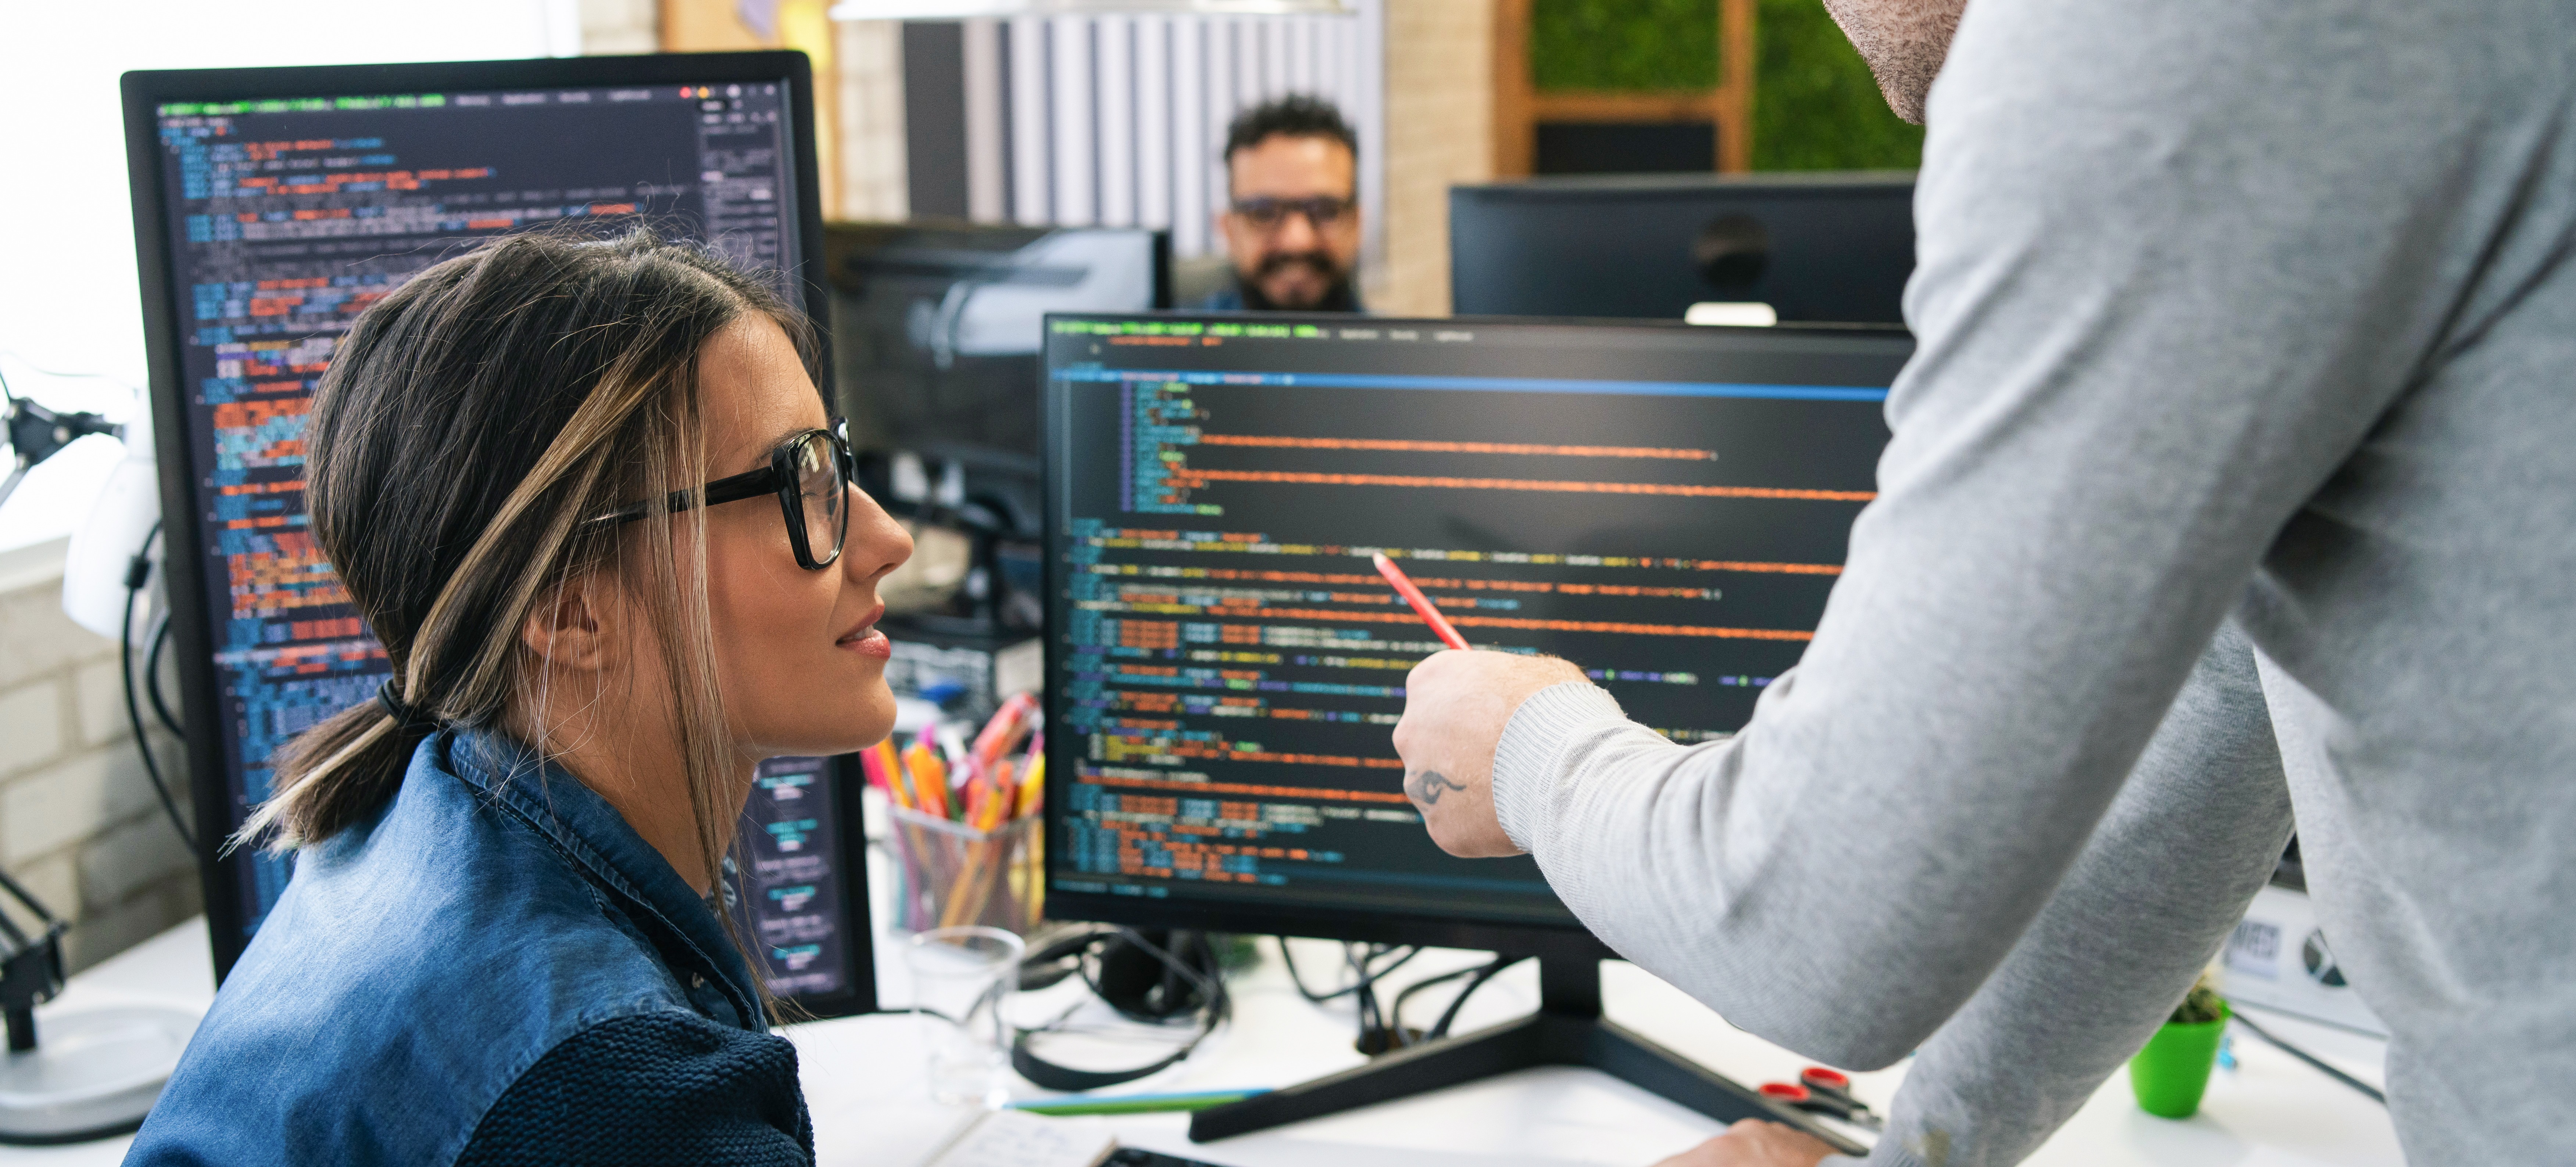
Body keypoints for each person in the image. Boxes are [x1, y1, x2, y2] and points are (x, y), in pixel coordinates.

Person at [1391, 1, 2576, 1165]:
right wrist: (1920, 1158)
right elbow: (2219, 717)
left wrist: (1527, 749)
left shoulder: (2147, 38)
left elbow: (1816, 923)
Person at [126, 229, 914, 1165]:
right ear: (572, 611)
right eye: (800, 482)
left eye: (836, 464)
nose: (888, 539)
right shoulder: (610, 1089)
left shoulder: (412, 807)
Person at [1201, 94, 1365, 313]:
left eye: (1325, 211)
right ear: (1228, 230)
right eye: (1264, 213)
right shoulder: (1169, 335)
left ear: (1357, 225)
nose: (1297, 241)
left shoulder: (1399, 337)